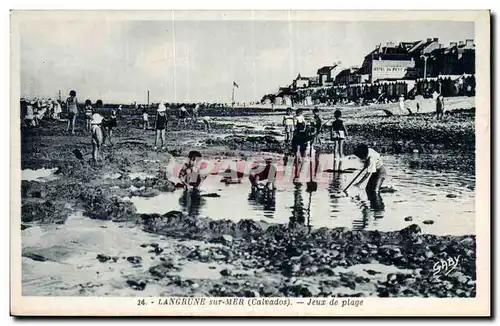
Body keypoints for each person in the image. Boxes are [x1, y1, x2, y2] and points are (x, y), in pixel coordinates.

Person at [353, 144, 386, 210]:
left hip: (380, 173)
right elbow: (368, 164)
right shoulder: (368, 151)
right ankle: (372, 204)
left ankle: (377, 204)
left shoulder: (372, 159)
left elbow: (368, 174)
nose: (360, 158)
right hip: (375, 172)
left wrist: (359, 183)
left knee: (375, 191)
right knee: (368, 189)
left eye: (360, 157)